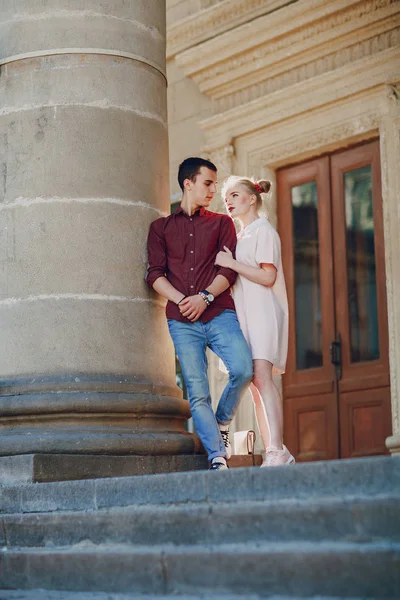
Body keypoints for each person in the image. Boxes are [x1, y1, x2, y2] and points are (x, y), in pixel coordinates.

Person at [146, 158, 253, 471]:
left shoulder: (221, 223)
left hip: (219, 312)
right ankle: (217, 455)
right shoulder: (160, 228)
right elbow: (154, 275)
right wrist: (184, 301)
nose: (214, 191)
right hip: (182, 322)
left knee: (243, 368)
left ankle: (222, 422)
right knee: (198, 391)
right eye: (208, 183)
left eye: (215, 184)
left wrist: (204, 297)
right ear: (187, 183)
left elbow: (227, 270)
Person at [215, 176, 295, 467]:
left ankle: (277, 450)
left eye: (235, 195)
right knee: (252, 383)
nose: (229, 201)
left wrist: (232, 263)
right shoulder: (239, 237)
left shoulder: (264, 231)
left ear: (252, 198)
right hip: (244, 315)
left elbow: (268, 276)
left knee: (263, 377)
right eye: (226, 197)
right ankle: (274, 449)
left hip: (263, 312)